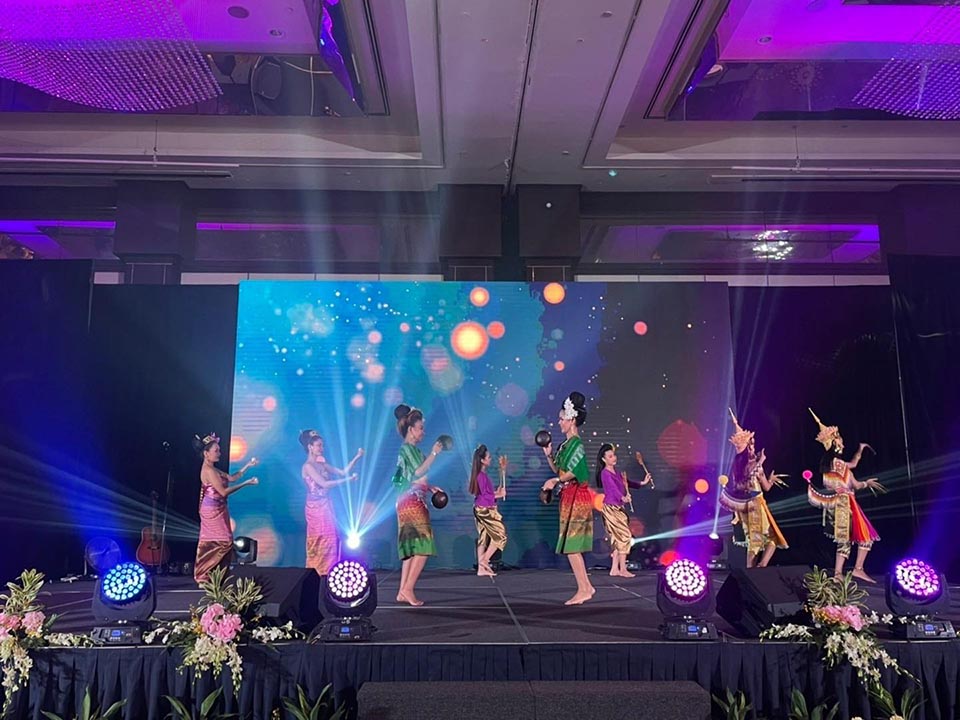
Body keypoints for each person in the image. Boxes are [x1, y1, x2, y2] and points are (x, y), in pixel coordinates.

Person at [807, 409, 883, 583]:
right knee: (848, 538)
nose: (842, 441)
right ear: (835, 442)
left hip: (847, 502)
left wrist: (866, 483)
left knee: (863, 536)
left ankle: (854, 570)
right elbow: (849, 477)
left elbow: (854, 479)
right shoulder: (836, 464)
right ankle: (841, 573)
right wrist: (860, 451)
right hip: (842, 503)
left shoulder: (835, 465)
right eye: (839, 438)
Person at [540, 391, 596, 605]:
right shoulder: (565, 445)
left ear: (572, 420)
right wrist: (548, 455)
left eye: (562, 418)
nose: (559, 422)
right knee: (570, 546)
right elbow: (560, 470)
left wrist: (555, 481)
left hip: (578, 498)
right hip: (568, 497)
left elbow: (573, 472)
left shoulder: (577, 445)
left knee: (572, 547)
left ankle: (584, 589)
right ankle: (586, 587)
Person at [719, 409, 788, 568]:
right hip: (753, 505)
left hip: (753, 505)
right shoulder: (751, 465)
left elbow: (766, 487)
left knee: (769, 539)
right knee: (756, 541)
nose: (753, 446)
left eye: (753, 443)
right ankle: (752, 572)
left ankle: (760, 567)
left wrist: (770, 479)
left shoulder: (740, 466)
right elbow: (749, 481)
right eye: (750, 443)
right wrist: (761, 461)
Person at [392, 404, 446, 606]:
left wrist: (430, 487)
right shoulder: (407, 449)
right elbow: (418, 472)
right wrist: (434, 453)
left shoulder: (411, 450)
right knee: (424, 545)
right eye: (420, 428)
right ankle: (408, 589)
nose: (423, 432)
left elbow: (414, 477)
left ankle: (402, 591)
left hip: (409, 499)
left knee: (411, 548)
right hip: (412, 502)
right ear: (411, 429)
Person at [192, 432, 259, 584]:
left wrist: (248, 465)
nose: (219, 453)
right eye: (216, 451)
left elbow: (232, 478)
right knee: (223, 541)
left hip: (219, 508)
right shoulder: (209, 471)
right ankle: (205, 574)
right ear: (206, 453)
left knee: (222, 541)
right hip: (212, 510)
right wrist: (246, 483)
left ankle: (217, 576)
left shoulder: (214, 469)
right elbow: (223, 492)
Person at [299, 429, 363, 575]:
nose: (321, 448)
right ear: (310, 447)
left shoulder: (322, 464)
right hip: (315, 508)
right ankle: (315, 573)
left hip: (326, 505)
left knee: (331, 538)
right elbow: (324, 484)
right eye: (318, 445)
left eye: (322, 445)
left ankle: (329, 572)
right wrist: (348, 480)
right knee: (318, 540)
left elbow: (342, 471)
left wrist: (357, 457)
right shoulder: (308, 466)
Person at [596, 444, 652, 577]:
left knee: (617, 538)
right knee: (625, 536)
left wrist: (643, 483)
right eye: (610, 456)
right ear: (604, 459)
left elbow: (627, 483)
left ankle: (614, 569)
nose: (613, 458)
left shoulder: (617, 472)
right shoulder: (605, 473)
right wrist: (623, 497)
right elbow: (613, 489)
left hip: (618, 508)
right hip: (612, 509)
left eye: (613, 455)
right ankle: (622, 569)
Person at [468, 444, 507, 577]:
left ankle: (481, 568)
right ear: (482, 460)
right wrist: (498, 495)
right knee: (500, 535)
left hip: (481, 508)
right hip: (485, 509)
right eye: (488, 457)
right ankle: (484, 560)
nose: (490, 459)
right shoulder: (481, 476)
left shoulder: (482, 475)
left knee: (483, 538)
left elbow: (488, 493)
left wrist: (502, 472)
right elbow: (486, 496)